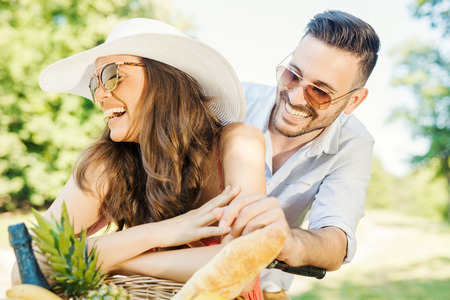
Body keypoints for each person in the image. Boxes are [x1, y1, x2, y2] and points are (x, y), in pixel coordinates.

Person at [12, 18, 268, 299]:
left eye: (111, 74)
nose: (99, 94)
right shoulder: (108, 164)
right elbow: (25, 270)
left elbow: (244, 267)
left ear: (165, 79)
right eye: (94, 83)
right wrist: (159, 233)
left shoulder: (237, 143)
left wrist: (119, 259)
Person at [216, 10, 381, 299]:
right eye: (293, 74)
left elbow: (336, 241)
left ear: (353, 100)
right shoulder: (232, 104)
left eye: (320, 92)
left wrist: (289, 241)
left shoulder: (354, 143)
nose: (295, 97)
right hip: (192, 263)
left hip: (265, 284)